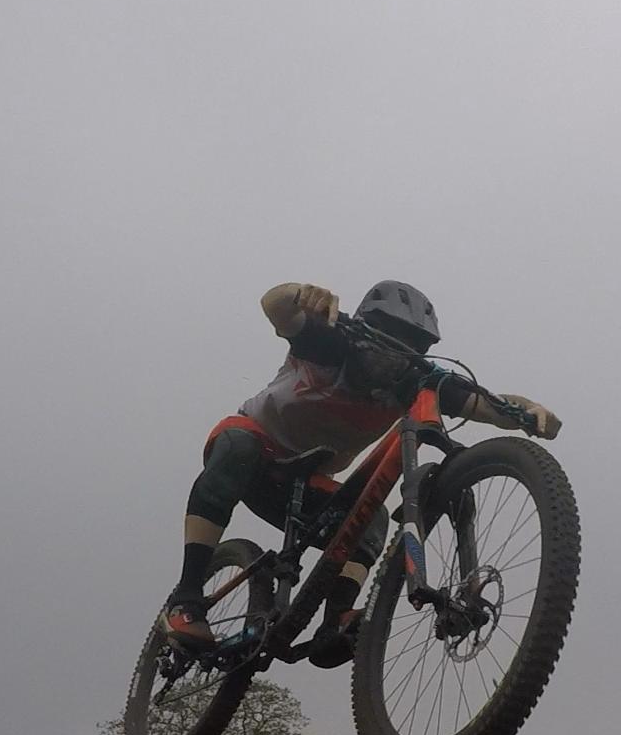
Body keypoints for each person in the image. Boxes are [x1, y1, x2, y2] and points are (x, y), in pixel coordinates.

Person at [159, 280, 560, 665]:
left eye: (411, 346)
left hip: (309, 480)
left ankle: (336, 619)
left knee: (374, 519)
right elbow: (275, 306)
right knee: (237, 444)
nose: (394, 355)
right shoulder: (329, 341)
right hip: (256, 452)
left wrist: (527, 411)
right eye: (386, 337)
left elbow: (486, 403)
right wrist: (299, 294)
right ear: (363, 328)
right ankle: (188, 595)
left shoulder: (414, 381)